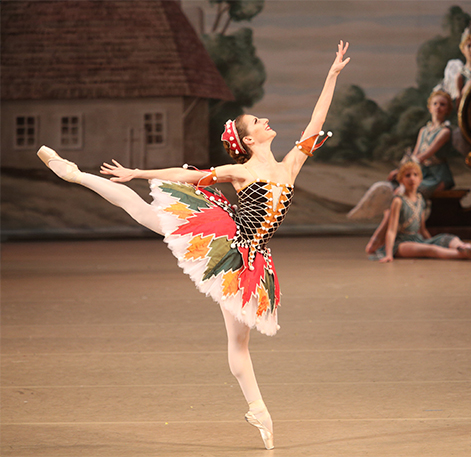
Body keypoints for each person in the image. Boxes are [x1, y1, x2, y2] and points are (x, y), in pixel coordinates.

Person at [36, 40, 351, 450]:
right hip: (226, 242)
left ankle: (257, 411)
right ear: (249, 140)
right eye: (258, 121)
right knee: (149, 215)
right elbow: (189, 177)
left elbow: (314, 123)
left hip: (252, 263)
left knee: (238, 346)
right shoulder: (239, 171)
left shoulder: (290, 164)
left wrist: (331, 76)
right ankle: (75, 174)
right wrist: (137, 171)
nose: (266, 120)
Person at [362, 90, 458, 253]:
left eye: (443, 105)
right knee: (394, 187)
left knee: (407, 190)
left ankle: (383, 236)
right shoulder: (424, 131)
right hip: (422, 172)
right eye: (435, 104)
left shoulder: (445, 132)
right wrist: (400, 172)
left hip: (437, 176)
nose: (438, 108)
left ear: (448, 109)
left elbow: (423, 156)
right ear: (430, 107)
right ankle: (387, 232)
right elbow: (414, 155)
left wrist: (404, 172)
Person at [369, 162, 471, 263]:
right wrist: (389, 254)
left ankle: (462, 247)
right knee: (431, 250)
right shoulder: (398, 201)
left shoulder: (420, 200)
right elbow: (391, 230)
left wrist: (434, 241)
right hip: (402, 242)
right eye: (407, 176)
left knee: (447, 238)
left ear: (420, 179)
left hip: (417, 239)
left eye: (415, 175)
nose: (412, 178)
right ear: (401, 180)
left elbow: (422, 230)